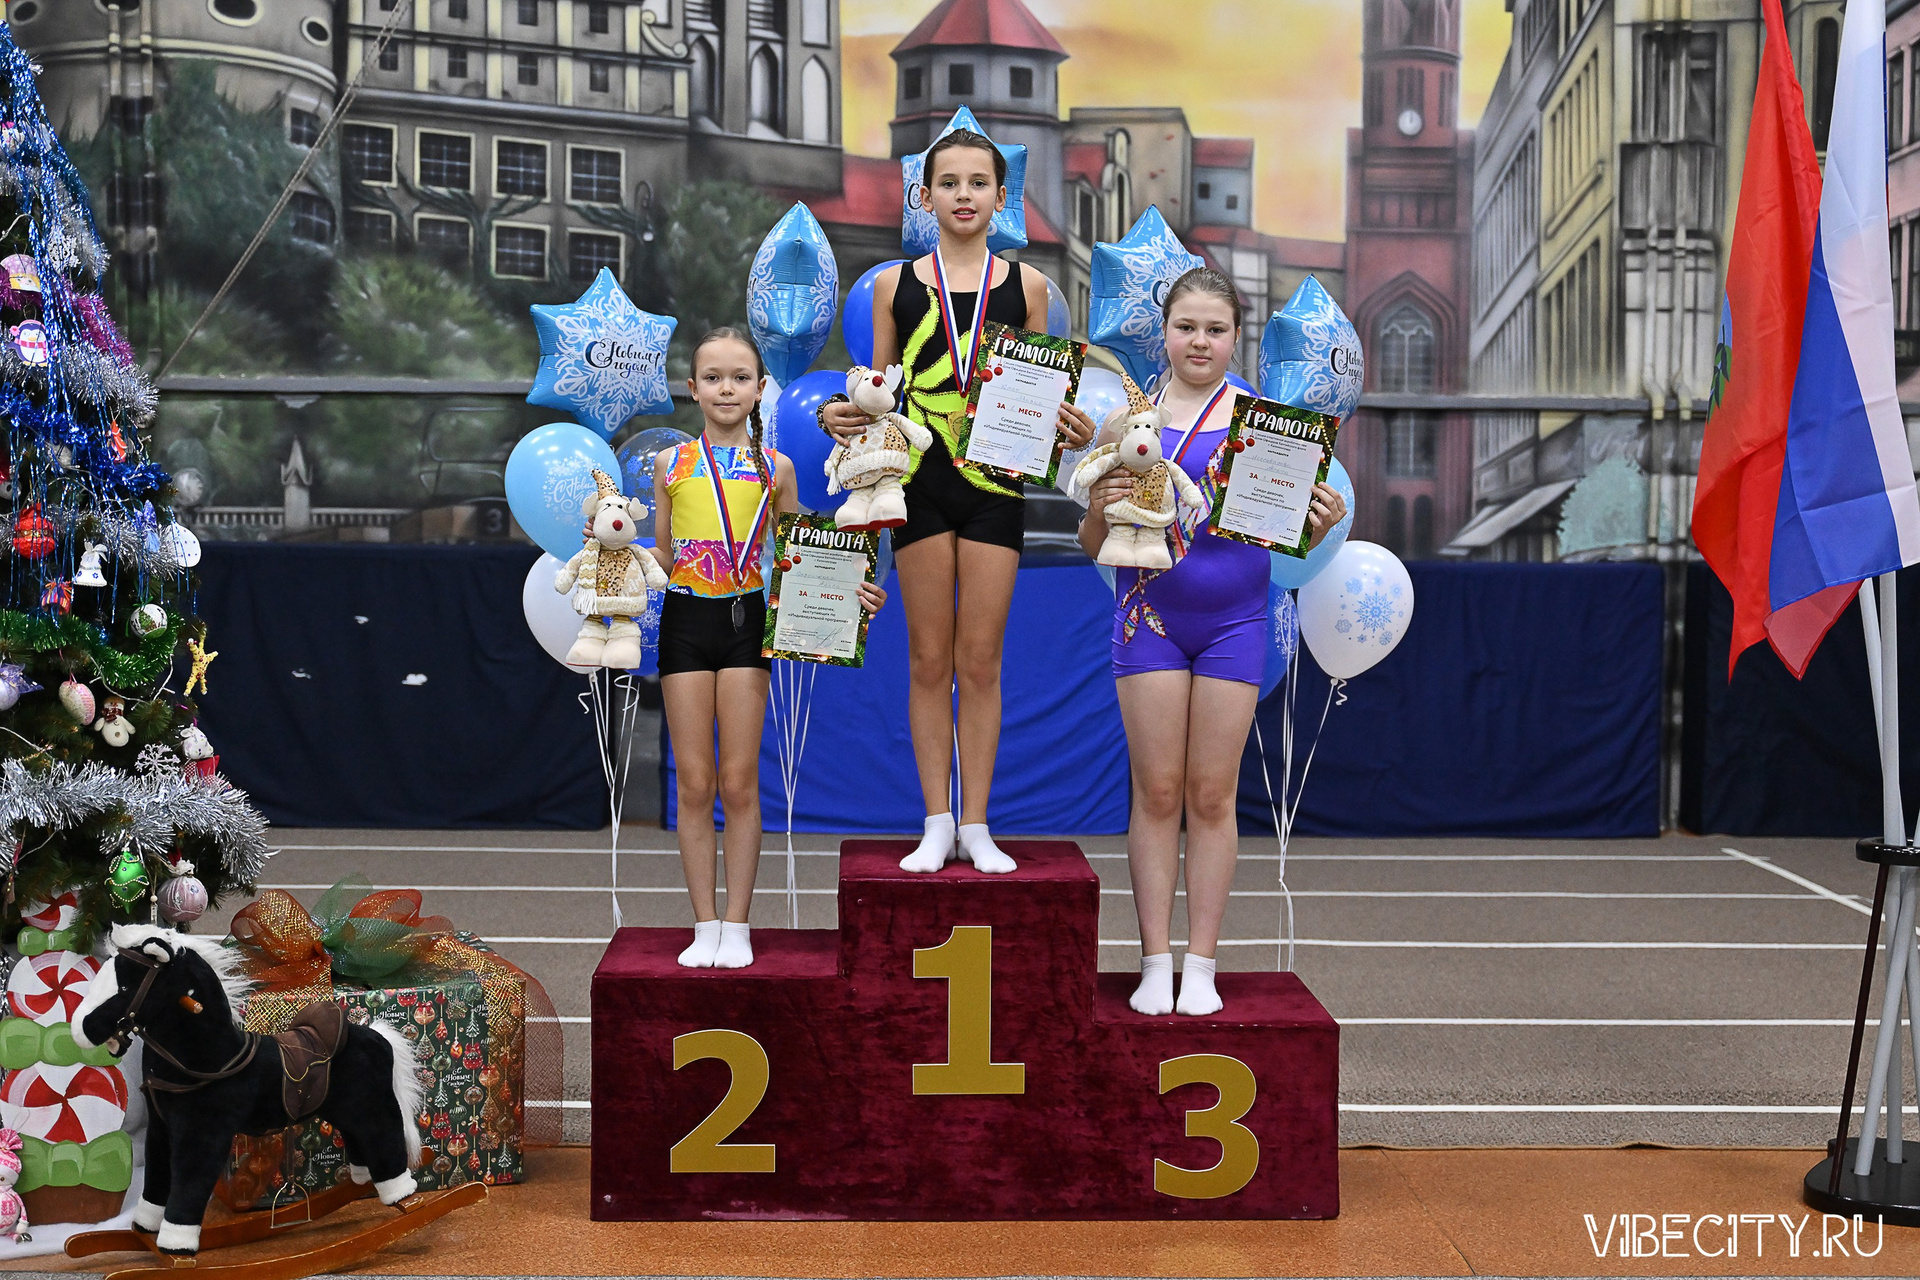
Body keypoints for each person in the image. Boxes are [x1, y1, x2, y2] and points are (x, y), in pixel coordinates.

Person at [822, 129, 1097, 875]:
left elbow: (1043, 399)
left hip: (994, 488)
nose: (964, 195)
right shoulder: (893, 286)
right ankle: (935, 820)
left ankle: (977, 822)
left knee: (979, 661)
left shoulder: (1030, 289)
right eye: (949, 183)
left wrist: (1066, 427)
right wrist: (836, 415)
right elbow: (876, 391)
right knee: (926, 657)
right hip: (917, 482)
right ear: (925, 196)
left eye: (979, 183)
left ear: (1002, 198)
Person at [1078, 269, 1347, 1016]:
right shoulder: (1125, 421)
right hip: (1149, 620)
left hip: (1235, 622)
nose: (1200, 342)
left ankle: (1201, 963)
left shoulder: (1269, 426)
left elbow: (1286, 542)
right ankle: (1154, 961)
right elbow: (1094, 544)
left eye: (1216, 329)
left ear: (1237, 338)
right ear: (1164, 333)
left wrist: (1315, 525)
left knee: (1210, 794)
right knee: (1158, 792)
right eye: (1187, 327)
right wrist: (1098, 508)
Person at [652, 327, 887, 968]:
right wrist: (611, 566)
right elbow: (665, 553)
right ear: (693, 388)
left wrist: (852, 590)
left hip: (747, 622)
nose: (726, 389)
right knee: (694, 782)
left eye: (739, 378)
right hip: (685, 621)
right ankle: (703, 922)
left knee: (737, 781)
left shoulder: (774, 468)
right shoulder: (671, 466)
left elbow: (806, 552)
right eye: (712, 378)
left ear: (760, 389)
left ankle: (737, 924)